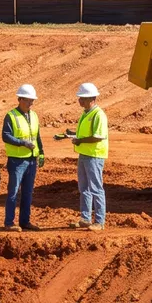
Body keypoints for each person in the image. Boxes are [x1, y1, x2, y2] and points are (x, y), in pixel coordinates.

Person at [58, 82, 108, 230]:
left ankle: (99, 221)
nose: (79, 101)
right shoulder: (86, 114)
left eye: (82, 98)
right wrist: (72, 135)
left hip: (94, 155)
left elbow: (98, 136)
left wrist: (79, 140)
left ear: (91, 98)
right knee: (84, 188)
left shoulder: (98, 115)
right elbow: (85, 133)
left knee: (96, 188)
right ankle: (85, 219)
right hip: (84, 154)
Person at [1, 83, 43, 231]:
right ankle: (9, 223)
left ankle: (25, 221)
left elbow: (37, 136)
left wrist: (41, 152)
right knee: (13, 192)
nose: (31, 103)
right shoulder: (11, 116)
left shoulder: (34, 115)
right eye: (28, 100)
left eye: (32, 101)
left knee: (27, 192)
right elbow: (5, 136)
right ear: (20, 99)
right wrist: (21, 143)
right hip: (17, 160)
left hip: (31, 160)